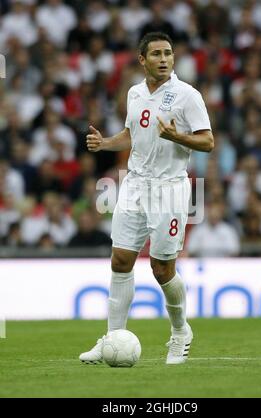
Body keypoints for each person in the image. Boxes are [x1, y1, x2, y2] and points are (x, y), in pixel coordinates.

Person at [79, 32, 214, 365]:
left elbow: (208, 141)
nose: (164, 58)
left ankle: (181, 332)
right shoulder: (135, 92)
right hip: (135, 184)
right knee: (120, 261)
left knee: (162, 268)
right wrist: (105, 143)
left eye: (168, 53)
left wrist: (176, 135)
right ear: (142, 60)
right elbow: (131, 135)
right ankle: (113, 337)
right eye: (156, 54)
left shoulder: (187, 95)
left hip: (169, 188)